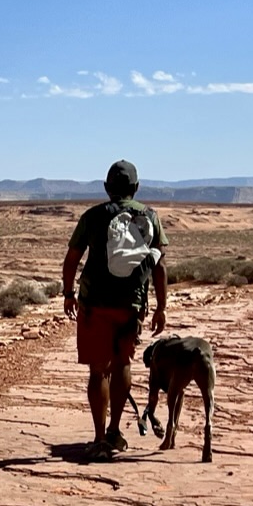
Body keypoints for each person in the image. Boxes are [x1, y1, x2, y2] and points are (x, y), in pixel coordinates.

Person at [61, 159, 167, 459]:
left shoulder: (93, 216)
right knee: (122, 364)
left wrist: (69, 294)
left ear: (107, 188)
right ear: (136, 187)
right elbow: (159, 266)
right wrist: (161, 307)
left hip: (94, 303)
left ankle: (98, 438)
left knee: (98, 371)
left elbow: (71, 260)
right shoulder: (150, 216)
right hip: (130, 305)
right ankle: (115, 431)